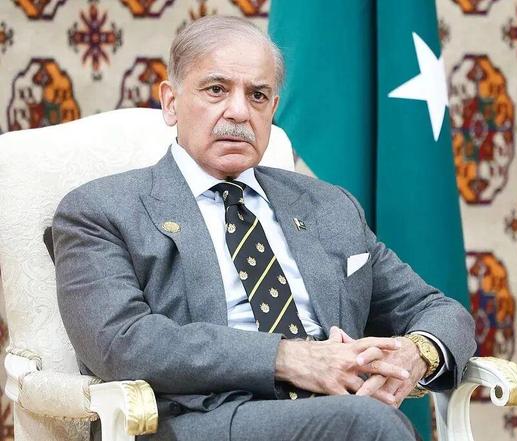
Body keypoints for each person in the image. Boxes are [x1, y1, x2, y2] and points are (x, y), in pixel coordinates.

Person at [53, 15, 476, 441]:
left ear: (273, 111)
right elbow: (121, 342)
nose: (239, 112)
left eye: (257, 95)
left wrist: (416, 353)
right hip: (197, 420)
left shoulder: (329, 207)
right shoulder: (102, 210)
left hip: (335, 411)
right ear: (171, 102)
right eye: (216, 89)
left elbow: (439, 309)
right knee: (367, 422)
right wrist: (289, 358)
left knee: (364, 419)